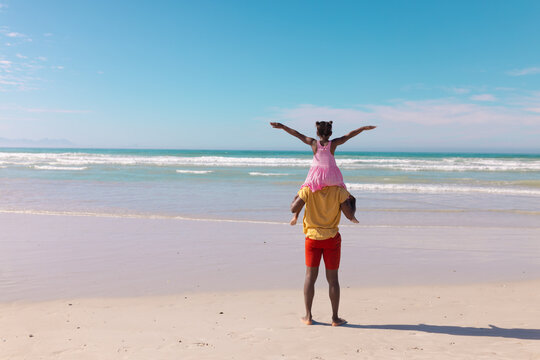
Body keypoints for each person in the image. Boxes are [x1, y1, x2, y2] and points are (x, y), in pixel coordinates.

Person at [270, 121, 376, 225]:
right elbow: (348, 135)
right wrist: (363, 128)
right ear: (330, 133)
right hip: (331, 177)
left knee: (301, 193)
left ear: (317, 133)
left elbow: (297, 134)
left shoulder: (313, 143)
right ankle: (351, 217)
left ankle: (295, 216)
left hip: (316, 177)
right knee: (347, 196)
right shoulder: (333, 143)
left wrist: (283, 126)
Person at [291, 185, 357, 326]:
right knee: (333, 279)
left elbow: (293, 208)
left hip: (312, 239)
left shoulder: (308, 189)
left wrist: (299, 194)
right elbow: (350, 215)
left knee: (310, 276)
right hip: (331, 239)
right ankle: (335, 318)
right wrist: (353, 201)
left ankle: (308, 316)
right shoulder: (339, 191)